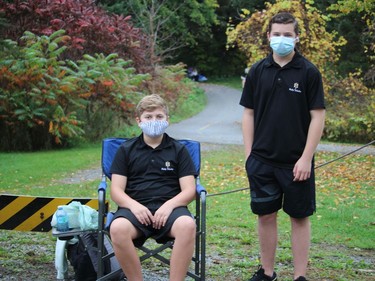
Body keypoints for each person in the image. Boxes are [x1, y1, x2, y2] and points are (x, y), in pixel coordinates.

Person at [240, 12, 326, 281]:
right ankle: (267, 273)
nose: (282, 39)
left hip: (296, 162)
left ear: (297, 37)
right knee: (265, 216)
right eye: (277, 34)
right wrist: (249, 156)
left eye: (287, 35)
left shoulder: (309, 72)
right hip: (262, 161)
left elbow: (318, 116)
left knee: (299, 218)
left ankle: (300, 276)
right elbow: (249, 114)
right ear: (268, 36)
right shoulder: (257, 70)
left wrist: (305, 158)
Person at [109, 94, 197, 281]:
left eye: (159, 116)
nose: (154, 121)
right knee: (117, 228)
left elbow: (189, 190)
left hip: (171, 210)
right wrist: (134, 206)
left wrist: (169, 206)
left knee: (188, 225)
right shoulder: (126, 149)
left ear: (167, 120)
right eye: (148, 117)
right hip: (135, 210)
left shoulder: (179, 150)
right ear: (138, 120)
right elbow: (116, 190)